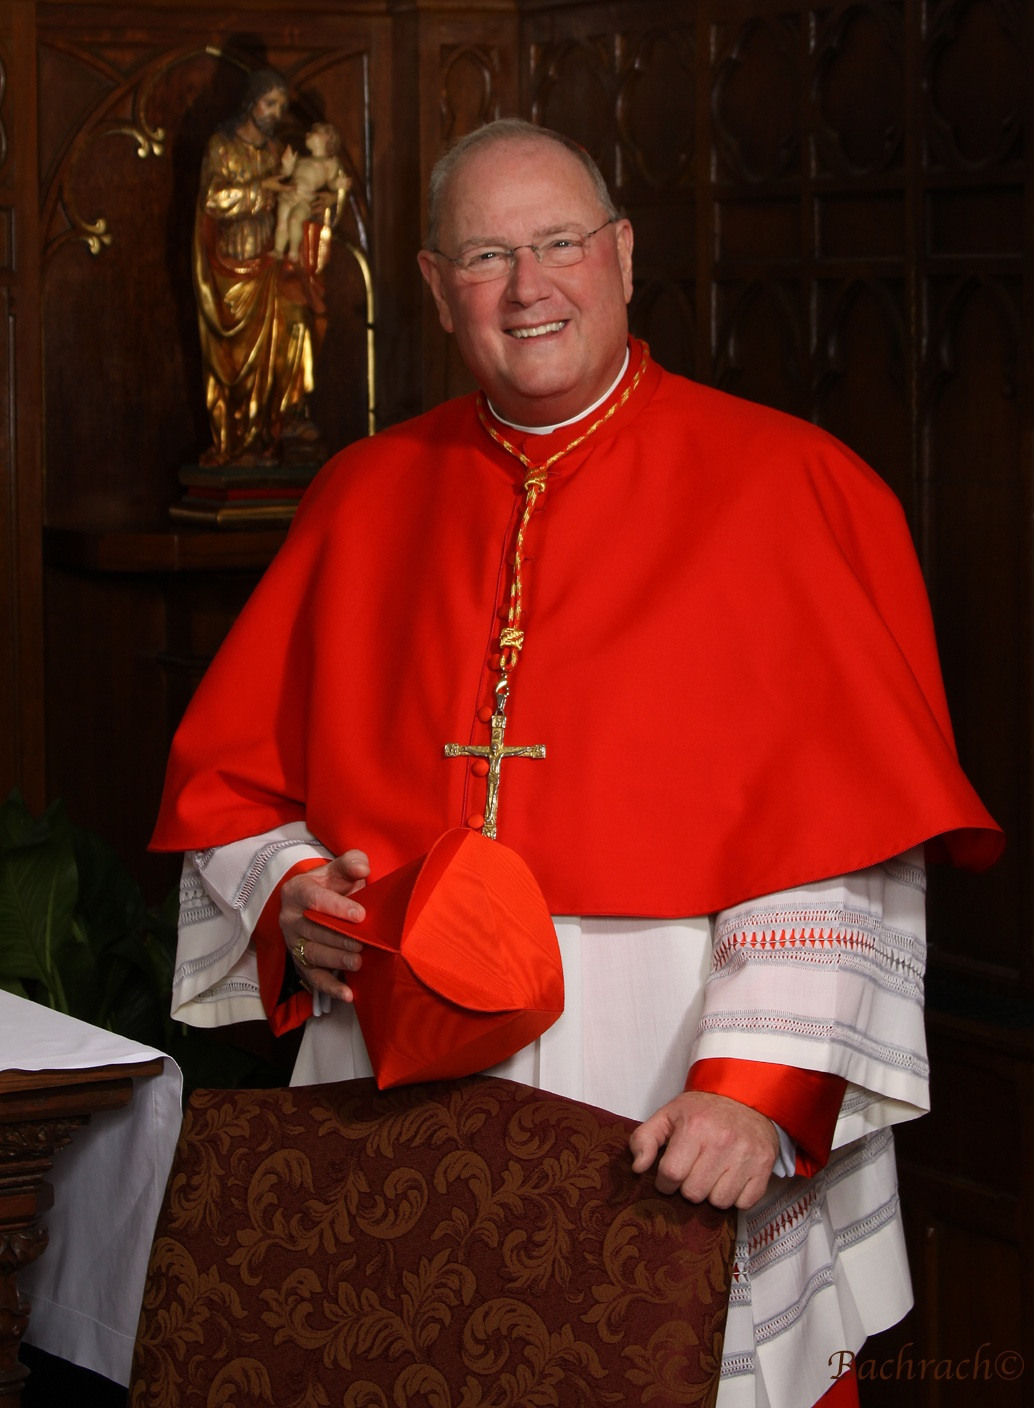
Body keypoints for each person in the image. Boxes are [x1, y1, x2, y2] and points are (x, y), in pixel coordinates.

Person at [153, 119, 1002, 1408]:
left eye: (556, 244)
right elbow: (230, 792)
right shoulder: (361, 496)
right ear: (437, 289)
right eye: (487, 255)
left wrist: (753, 1091)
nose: (527, 286)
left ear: (618, 253)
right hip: (393, 1085)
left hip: (663, 1075)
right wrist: (288, 899)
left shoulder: (792, 487)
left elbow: (846, 835)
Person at [194, 69, 327, 466]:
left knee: (296, 325)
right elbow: (214, 200)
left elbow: (292, 201)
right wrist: (263, 193)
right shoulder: (221, 146)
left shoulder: (275, 150)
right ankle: (237, 442)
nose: (275, 113)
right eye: (270, 103)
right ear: (251, 102)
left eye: (282, 106)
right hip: (230, 268)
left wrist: (312, 206)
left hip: (272, 262)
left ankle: (282, 421)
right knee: (236, 360)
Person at [273, 121, 350, 264]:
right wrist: (286, 166)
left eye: (314, 131)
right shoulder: (302, 159)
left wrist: (338, 184)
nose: (307, 134)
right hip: (289, 194)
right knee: (282, 223)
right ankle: (278, 249)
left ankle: (293, 251)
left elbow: (332, 183)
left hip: (305, 198)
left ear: (327, 137)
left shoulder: (330, 163)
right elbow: (286, 174)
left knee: (295, 220)